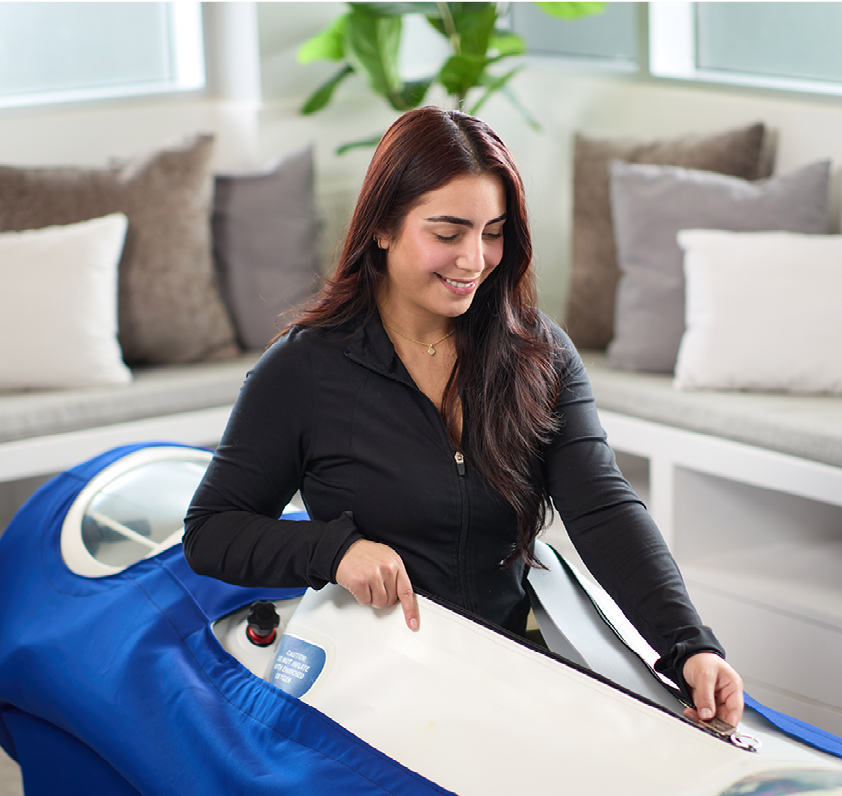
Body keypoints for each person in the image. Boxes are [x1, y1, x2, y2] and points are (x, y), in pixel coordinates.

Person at [183, 107, 744, 727]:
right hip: (370, 679)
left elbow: (604, 509)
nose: (475, 260)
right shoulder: (304, 368)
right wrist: (334, 550)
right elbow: (212, 532)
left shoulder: (541, 352)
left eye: (494, 232)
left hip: (505, 663)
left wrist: (689, 645)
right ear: (383, 228)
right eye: (448, 234)